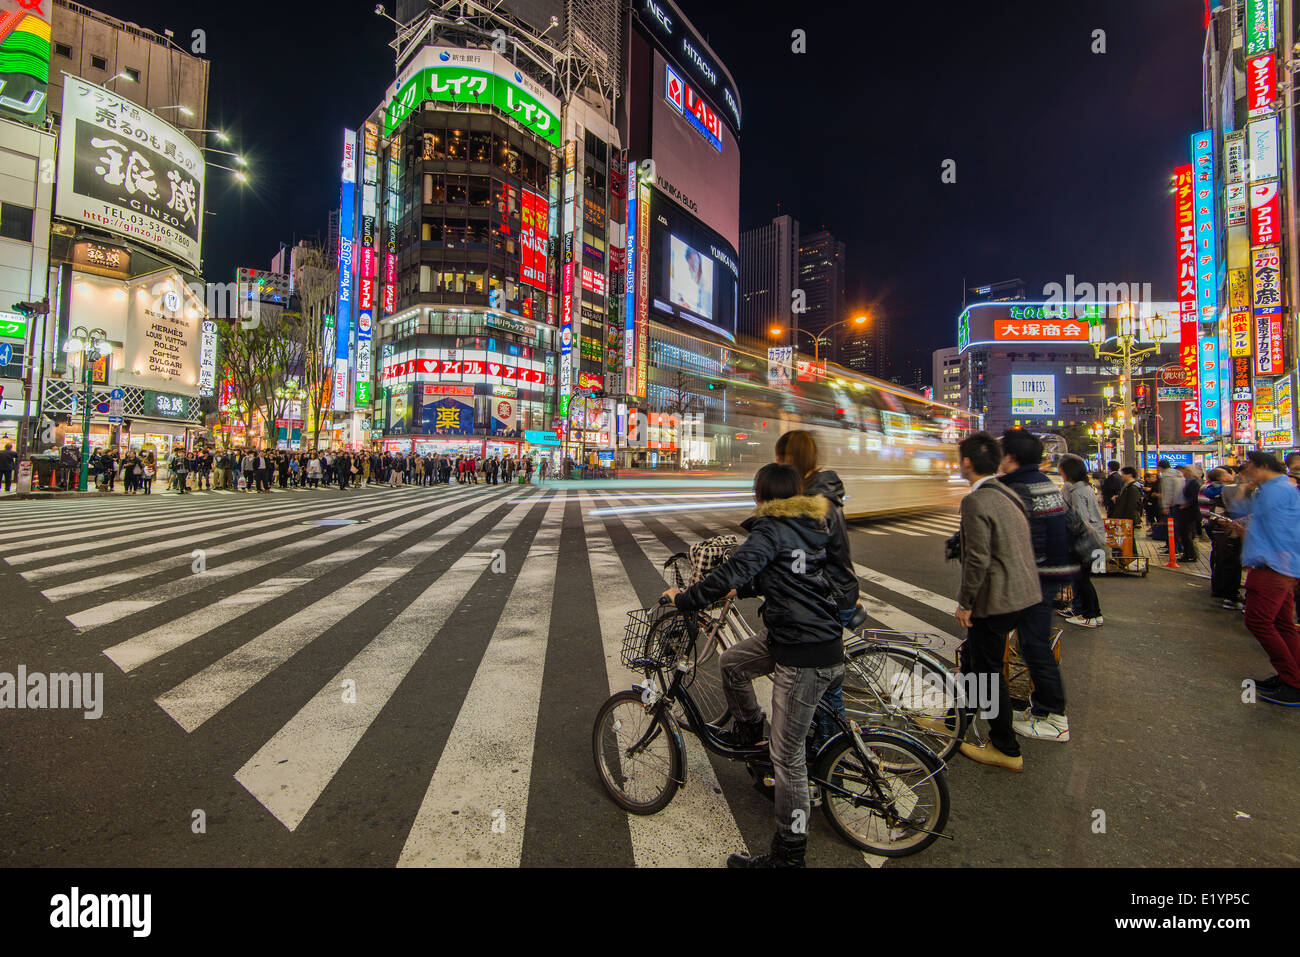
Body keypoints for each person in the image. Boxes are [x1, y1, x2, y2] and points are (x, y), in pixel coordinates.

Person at [664, 463, 844, 868]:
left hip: (804, 649)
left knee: (789, 757)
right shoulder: (806, 526)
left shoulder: (770, 528)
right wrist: (742, 587)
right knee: (732, 663)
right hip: (800, 636)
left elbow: (738, 567)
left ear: (763, 494)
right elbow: (780, 575)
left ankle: (788, 855)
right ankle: (750, 738)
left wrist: (686, 598)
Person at [951, 432, 1042, 772]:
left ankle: (1005, 746)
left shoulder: (975, 500)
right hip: (1022, 593)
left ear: (968, 462)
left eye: (961, 459)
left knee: (987, 673)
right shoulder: (1006, 491)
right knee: (974, 660)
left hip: (997, 599)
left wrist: (966, 602)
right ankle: (952, 723)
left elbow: (978, 559)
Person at [774, 430, 860, 747]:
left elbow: (806, 557)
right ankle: (830, 746)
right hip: (841, 590)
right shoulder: (820, 490)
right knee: (825, 679)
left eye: (780, 459)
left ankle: (834, 752)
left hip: (831, 597)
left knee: (823, 683)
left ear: (791, 459)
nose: (778, 465)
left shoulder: (813, 502)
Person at [998, 429, 1075, 742]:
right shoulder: (1045, 484)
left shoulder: (1014, 488)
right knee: (1033, 645)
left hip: (1029, 578)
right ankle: (1041, 710)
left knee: (1031, 647)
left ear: (1011, 457)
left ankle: (1053, 717)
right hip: (1049, 576)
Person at [1226, 451, 1300, 705]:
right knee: (1282, 624)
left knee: (1258, 621)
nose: (1246, 472)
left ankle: (1293, 682)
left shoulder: (1276, 490)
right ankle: (1290, 675)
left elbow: (1276, 531)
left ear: (1264, 466)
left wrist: (1248, 537)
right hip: (1283, 567)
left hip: (1273, 567)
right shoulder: (1280, 488)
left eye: (1249, 468)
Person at [1058, 453, 1107, 628]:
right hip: (1093, 538)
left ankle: (1090, 614)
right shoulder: (1085, 488)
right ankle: (1086, 611)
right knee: (1081, 578)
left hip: (1082, 541)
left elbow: (1081, 520)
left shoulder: (1077, 492)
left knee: (1081, 579)